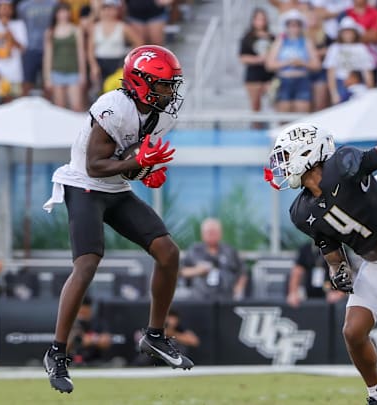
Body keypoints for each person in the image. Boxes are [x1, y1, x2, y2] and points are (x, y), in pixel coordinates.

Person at [41, 44, 192, 394]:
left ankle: (154, 336)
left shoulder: (160, 114)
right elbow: (96, 164)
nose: (170, 92)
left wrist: (145, 171)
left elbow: (130, 159)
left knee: (169, 252)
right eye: (164, 84)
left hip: (115, 188)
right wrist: (137, 166)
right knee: (88, 263)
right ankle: (57, 352)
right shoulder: (114, 107)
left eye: (172, 84)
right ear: (141, 83)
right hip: (84, 185)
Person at [264, 123, 377, 404]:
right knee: (353, 331)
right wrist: (338, 272)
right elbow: (332, 251)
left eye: (287, 157)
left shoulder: (344, 164)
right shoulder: (301, 212)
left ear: (308, 152)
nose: (283, 167)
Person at [180, 218, 248, 301]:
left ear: (220, 233)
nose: (211, 234)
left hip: (226, 300)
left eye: (214, 232)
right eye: (208, 232)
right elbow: (181, 271)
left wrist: (239, 289)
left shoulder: (229, 251)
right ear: (202, 234)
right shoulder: (194, 251)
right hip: (199, 300)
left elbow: (242, 271)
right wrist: (197, 270)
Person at [265, 9, 320, 113]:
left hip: (302, 81)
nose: (294, 28)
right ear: (286, 26)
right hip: (284, 81)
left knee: (301, 116)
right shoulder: (280, 41)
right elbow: (269, 65)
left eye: (296, 25)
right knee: (284, 117)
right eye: (291, 25)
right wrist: (288, 62)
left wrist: (302, 63)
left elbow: (316, 65)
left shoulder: (306, 42)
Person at [88, 0, 142, 93]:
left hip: (117, 63)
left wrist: (130, 58)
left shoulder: (123, 27)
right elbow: (90, 49)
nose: (108, 12)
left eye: (111, 8)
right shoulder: (95, 27)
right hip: (100, 63)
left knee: (117, 91)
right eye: (105, 8)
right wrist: (93, 66)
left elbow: (139, 42)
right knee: (101, 92)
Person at [43, 2, 87, 111]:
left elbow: (81, 53)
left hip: (74, 72)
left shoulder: (76, 30)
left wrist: (83, 74)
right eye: (61, 12)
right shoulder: (50, 32)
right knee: (59, 108)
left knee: (77, 106)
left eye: (66, 11)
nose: (63, 14)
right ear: (56, 14)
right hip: (56, 72)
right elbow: (47, 56)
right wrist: (47, 77)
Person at [323, 16, 375, 105]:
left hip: (358, 83)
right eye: (345, 32)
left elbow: (367, 71)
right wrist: (334, 93)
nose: (348, 35)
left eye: (350, 32)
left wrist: (370, 90)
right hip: (341, 82)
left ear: (355, 33)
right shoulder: (334, 48)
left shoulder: (361, 48)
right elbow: (331, 72)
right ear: (341, 33)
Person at [287, 242, 347, 307]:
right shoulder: (306, 248)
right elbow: (297, 272)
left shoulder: (337, 248)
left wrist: (339, 293)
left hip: (331, 296)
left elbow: (345, 272)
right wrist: (293, 293)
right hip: (309, 294)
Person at [17, 0, 57, 96]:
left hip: (49, 49)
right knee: (27, 83)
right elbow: (20, 26)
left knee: (48, 84)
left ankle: (47, 109)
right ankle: (24, 108)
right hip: (30, 49)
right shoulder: (23, 6)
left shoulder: (54, 4)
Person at [239, 8, 275, 115]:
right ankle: (256, 129)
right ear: (253, 20)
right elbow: (242, 57)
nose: (261, 22)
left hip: (269, 74)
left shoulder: (272, 37)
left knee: (272, 103)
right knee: (255, 106)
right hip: (254, 75)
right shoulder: (248, 37)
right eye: (259, 19)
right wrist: (258, 59)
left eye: (263, 19)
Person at [68, 296, 113, 366]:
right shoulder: (70, 323)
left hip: (95, 361)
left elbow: (106, 341)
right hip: (73, 361)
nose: (82, 314)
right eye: (80, 311)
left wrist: (92, 339)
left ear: (90, 309)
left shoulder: (98, 322)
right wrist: (76, 338)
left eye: (85, 311)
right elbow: (63, 346)